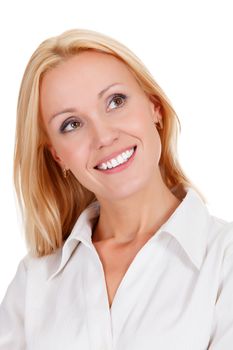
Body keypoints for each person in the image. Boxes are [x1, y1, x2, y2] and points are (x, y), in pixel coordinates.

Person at [0, 28, 232, 350]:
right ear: (57, 156)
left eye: (116, 101)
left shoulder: (224, 260)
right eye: (72, 124)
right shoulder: (34, 283)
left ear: (155, 109)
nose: (104, 136)